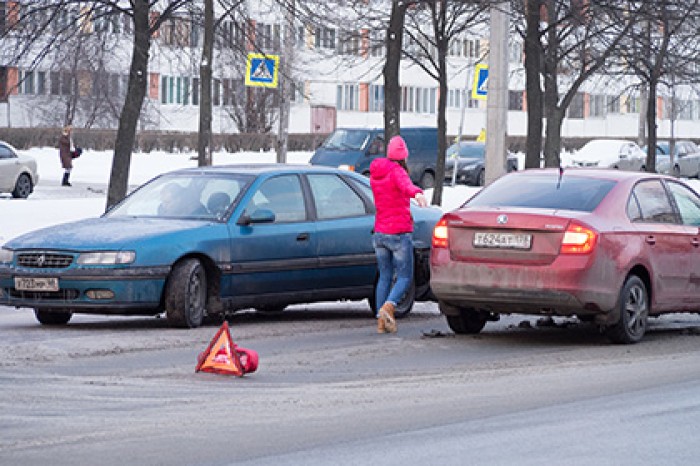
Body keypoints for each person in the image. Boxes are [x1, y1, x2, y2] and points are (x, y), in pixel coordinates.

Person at [369, 135, 428, 334]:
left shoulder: (377, 173)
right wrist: (417, 193)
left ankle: (381, 321)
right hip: (398, 233)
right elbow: (406, 186)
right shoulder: (397, 172)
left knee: (385, 276)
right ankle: (389, 306)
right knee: (404, 276)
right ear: (403, 155)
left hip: (379, 233)